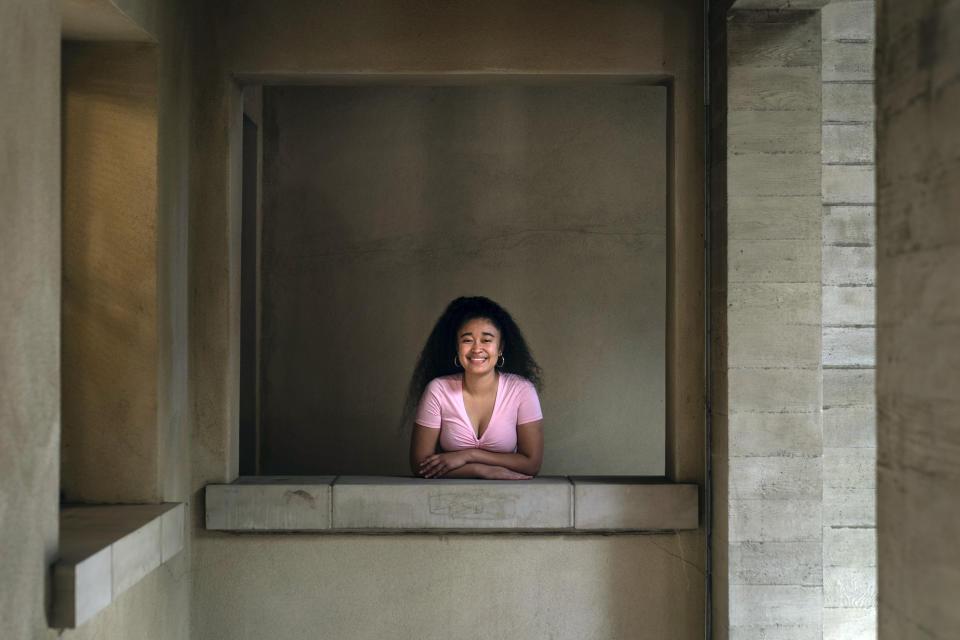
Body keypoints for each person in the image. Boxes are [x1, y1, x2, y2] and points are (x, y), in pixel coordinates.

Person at [404, 296, 544, 480]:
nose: (477, 349)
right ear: (457, 346)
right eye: (467, 340)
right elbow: (420, 465)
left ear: (500, 347)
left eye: (487, 340)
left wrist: (468, 455)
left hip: (510, 499)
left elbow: (532, 464)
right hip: (445, 500)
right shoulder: (438, 390)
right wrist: (481, 471)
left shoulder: (522, 390)